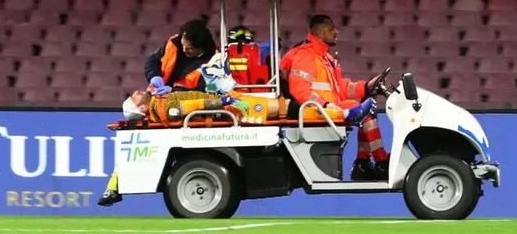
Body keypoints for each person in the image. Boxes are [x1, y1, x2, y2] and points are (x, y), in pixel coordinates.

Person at [97, 52, 377, 207]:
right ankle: (345, 114)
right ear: (141, 110)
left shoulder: (159, 99)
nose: (135, 92)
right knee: (287, 108)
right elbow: (191, 106)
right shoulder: (163, 108)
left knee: (285, 106)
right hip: (231, 109)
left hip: (229, 105)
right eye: (133, 98)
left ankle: (343, 113)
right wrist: (223, 99)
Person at [280, 14, 390, 181]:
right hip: (317, 112)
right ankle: (378, 161)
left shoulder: (325, 58)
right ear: (319, 33)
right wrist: (326, 105)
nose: (336, 32)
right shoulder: (306, 56)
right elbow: (300, 91)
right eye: (331, 29)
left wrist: (366, 86)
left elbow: (340, 88)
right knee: (365, 110)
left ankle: (364, 163)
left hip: (328, 109)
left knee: (366, 109)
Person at [145, 19, 218, 95]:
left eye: (190, 48)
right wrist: (154, 75)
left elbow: (206, 90)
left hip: (182, 104)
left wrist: (174, 91)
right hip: (155, 96)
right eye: (183, 45)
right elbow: (153, 59)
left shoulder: (214, 62)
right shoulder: (174, 42)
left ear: (201, 48)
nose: (184, 50)